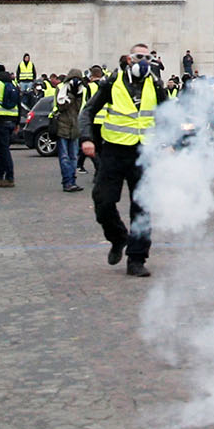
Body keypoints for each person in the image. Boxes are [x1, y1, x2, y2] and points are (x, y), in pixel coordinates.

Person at [80, 43, 166, 277]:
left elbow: (168, 115)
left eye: (149, 57)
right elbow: (88, 110)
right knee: (103, 201)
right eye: (140, 56)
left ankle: (136, 259)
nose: (145, 61)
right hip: (114, 151)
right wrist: (87, 138)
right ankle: (118, 238)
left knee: (142, 208)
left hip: (144, 154)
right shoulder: (112, 82)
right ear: (129, 59)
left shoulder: (156, 84)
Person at [53, 67, 88, 191]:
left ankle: (72, 180)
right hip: (63, 126)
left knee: (73, 157)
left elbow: (79, 108)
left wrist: (76, 95)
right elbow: (61, 106)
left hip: (75, 127)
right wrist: (71, 95)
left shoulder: (81, 91)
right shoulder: (61, 89)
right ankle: (67, 181)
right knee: (64, 157)